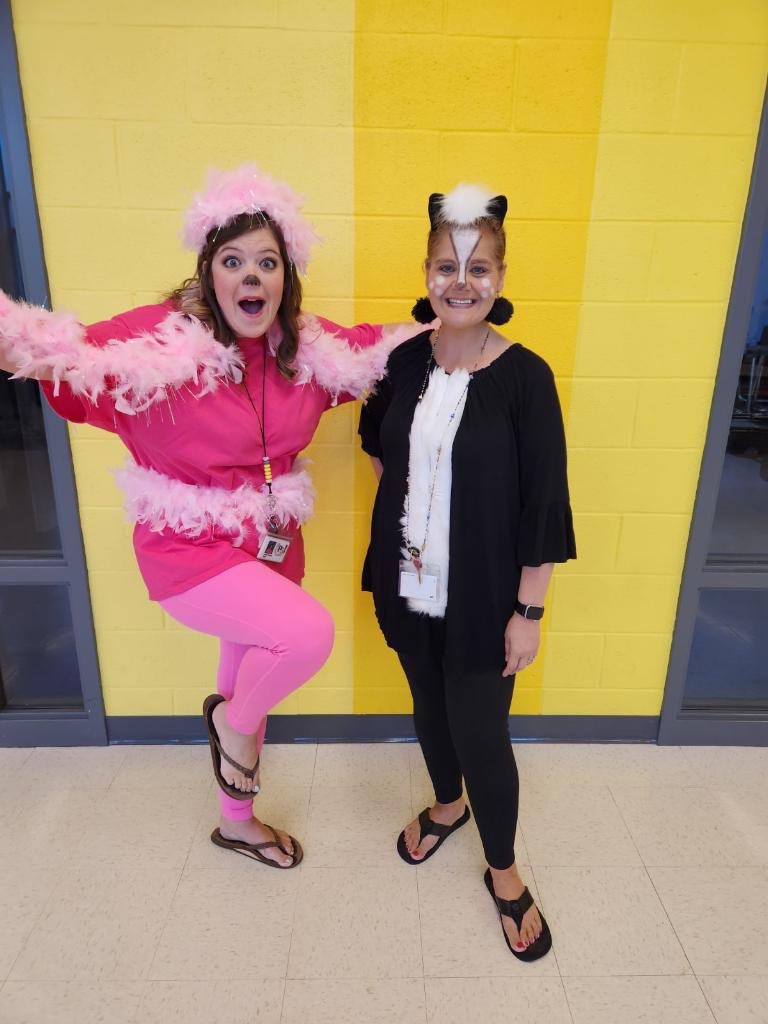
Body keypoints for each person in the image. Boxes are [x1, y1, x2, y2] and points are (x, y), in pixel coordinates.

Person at [0, 163, 424, 869]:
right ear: (208, 273)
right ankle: (229, 726)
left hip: (270, 550)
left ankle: (237, 821)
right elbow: (53, 354)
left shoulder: (304, 353)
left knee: (246, 673)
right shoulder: (158, 346)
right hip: (187, 551)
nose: (251, 276)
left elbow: (378, 349)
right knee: (298, 644)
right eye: (234, 261)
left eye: (267, 262)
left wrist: (453, 317)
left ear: (285, 278)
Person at [358, 184, 576, 957]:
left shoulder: (527, 378)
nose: (462, 282)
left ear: (501, 278)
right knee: (426, 706)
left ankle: (506, 872)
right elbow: (380, 448)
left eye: (479, 268)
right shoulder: (401, 360)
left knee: (481, 728)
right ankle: (447, 806)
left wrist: (530, 611)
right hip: (408, 583)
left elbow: (544, 503)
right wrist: (414, 529)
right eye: (447, 267)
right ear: (426, 274)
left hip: (488, 598)